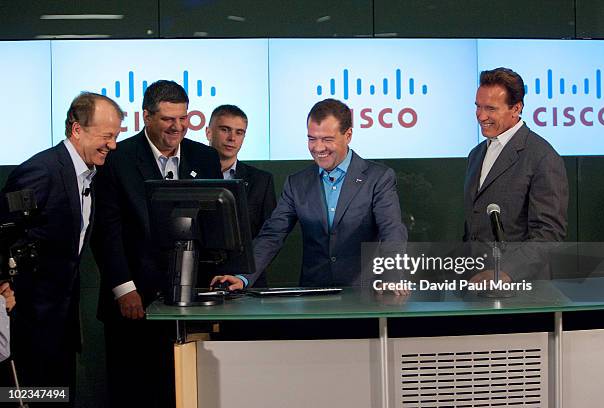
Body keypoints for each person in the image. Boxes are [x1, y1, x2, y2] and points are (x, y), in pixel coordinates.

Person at [91, 80, 222, 407]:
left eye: (183, 118)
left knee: (189, 391)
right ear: (146, 117)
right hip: (133, 304)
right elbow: (106, 231)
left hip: (191, 303)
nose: (177, 127)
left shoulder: (204, 158)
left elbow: (215, 226)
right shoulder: (118, 159)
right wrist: (124, 288)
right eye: (167, 119)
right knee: (135, 393)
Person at [1, 92, 123, 401]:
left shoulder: (89, 174)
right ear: (77, 129)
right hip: (27, 323)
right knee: (32, 398)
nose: (113, 145)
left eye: (116, 136)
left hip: (60, 323)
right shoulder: (41, 171)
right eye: (106, 136)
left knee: (57, 397)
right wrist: (4, 285)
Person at [213, 98, 407, 290]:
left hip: (366, 296)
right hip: (314, 297)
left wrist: (392, 276)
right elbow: (272, 234)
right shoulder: (296, 183)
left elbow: (392, 231)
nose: (318, 147)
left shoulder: (378, 178)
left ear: (348, 135)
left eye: (327, 139)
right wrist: (243, 276)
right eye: (312, 138)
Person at [464, 67, 568, 283]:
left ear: (516, 108)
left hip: (521, 292)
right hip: (475, 288)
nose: (481, 116)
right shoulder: (476, 154)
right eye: (478, 107)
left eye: (490, 109)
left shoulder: (543, 156)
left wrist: (505, 273)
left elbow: (549, 233)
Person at [206, 104, 276, 287]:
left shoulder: (261, 181)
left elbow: (269, 236)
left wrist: (244, 277)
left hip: (247, 284)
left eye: (239, 132)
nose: (232, 138)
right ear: (208, 133)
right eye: (225, 130)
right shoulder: (188, 175)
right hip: (199, 282)